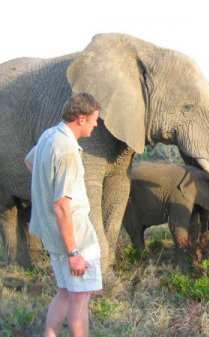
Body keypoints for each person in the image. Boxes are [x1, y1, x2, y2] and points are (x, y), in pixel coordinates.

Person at [25, 93, 101, 337]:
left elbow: (30, 162)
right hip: (74, 236)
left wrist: (46, 182)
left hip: (51, 230)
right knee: (80, 298)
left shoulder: (50, 135)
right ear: (80, 119)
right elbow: (61, 206)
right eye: (93, 120)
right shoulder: (68, 151)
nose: (96, 125)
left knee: (65, 292)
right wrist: (74, 253)